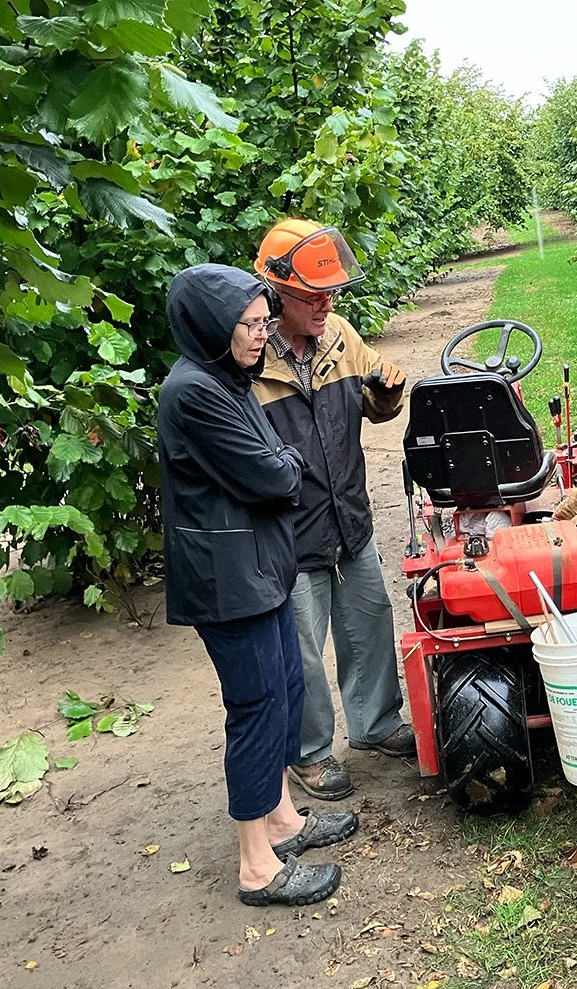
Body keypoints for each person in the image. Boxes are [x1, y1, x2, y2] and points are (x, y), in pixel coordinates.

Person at [157, 263, 359, 905]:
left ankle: (281, 820)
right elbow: (276, 477)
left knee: (286, 687)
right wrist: (282, 466)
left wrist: (280, 465)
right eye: (248, 324)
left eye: (263, 321)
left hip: (259, 565)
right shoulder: (195, 392)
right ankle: (257, 866)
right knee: (254, 707)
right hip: (227, 578)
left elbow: (275, 461)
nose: (261, 334)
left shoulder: (231, 380)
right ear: (213, 327)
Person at [248, 220, 416, 802]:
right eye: (313, 294)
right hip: (289, 534)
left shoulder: (340, 335)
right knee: (300, 649)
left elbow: (374, 405)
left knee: (369, 623)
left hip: (351, 518)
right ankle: (310, 752)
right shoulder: (248, 360)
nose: (327, 302)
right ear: (273, 290)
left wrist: (387, 392)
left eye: (332, 291)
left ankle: (376, 724)